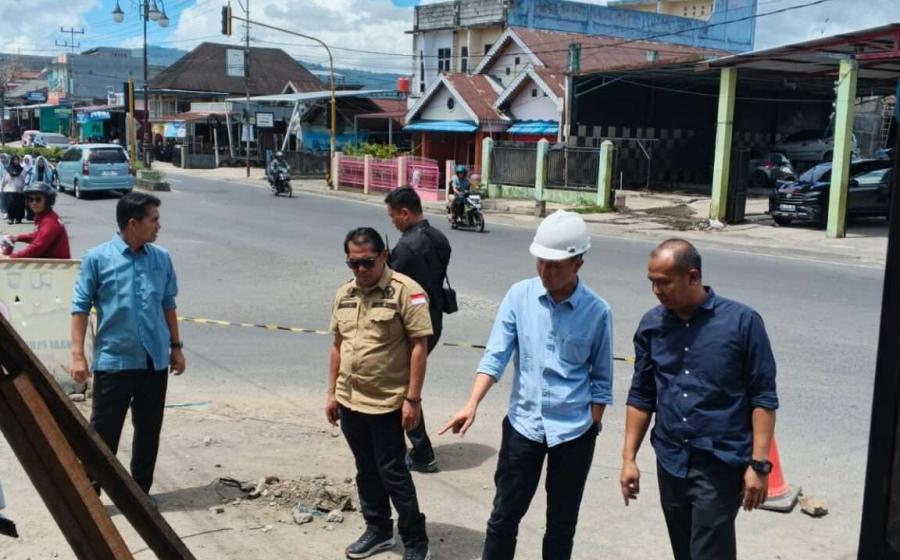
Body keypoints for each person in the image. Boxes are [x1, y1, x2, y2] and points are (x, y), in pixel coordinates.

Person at [441, 210, 614, 560]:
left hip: (574, 433)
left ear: (578, 264)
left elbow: (601, 379)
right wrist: (472, 403)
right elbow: (495, 356)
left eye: (555, 265)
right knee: (504, 517)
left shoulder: (598, 312)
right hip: (524, 428)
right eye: (541, 262)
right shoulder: (519, 296)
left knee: (561, 526)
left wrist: (592, 425)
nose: (545, 272)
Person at [620, 239, 778, 560]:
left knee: (709, 553)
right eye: (652, 282)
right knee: (685, 552)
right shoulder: (652, 326)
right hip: (671, 460)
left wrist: (759, 465)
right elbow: (642, 394)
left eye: (664, 282)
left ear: (692, 277)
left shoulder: (742, 323)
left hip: (720, 463)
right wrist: (628, 458)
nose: (656, 290)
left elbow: (763, 397)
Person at [326, 227, 433, 560]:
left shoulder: (406, 292)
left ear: (384, 256)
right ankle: (378, 530)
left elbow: (419, 346)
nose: (361, 269)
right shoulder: (344, 293)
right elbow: (338, 345)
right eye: (353, 263)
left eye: (368, 262)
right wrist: (331, 393)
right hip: (350, 399)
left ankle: (416, 542)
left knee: (394, 473)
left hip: (387, 402)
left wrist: (412, 399)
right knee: (366, 470)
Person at [70, 192, 185, 495]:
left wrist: (176, 348)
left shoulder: (161, 258)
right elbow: (80, 307)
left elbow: (168, 304)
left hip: (154, 361)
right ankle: (91, 494)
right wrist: (77, 355)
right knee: (103, 433)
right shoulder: (97, 258)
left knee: (148, 432)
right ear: (133, 224)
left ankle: (140, 495)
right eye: (153, 220)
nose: (158, 226)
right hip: (114, 361)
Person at [384, 186, 452, 473]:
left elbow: (392, 285)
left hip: (412, 326)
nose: (393, 222)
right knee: (406, 383)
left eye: (393, 217)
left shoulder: (405, 248)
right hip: (434, 319)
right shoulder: (439, 238)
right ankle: (417, 449)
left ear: (405, 213)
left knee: (404, 387)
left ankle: (422, 453)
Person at [1, 182, 70, 259]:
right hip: (51, 262)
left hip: (57, 264)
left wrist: (9, 257)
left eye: (38, 199)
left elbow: (36, 248)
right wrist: (17, 237)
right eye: (31, 200)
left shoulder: (50, 222)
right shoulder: (44, 216)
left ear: (48, 200)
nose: (34, 203)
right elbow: (38, 236)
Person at [2, 155, 26, 224]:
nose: (15, 161)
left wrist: (25, 187)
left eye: (17, 160)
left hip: (20, 190)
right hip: (10, 189)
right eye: (14, 160)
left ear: (19, 161)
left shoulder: (22, 170)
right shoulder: (7, 170)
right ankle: (11, 218)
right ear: (12, 161)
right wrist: (2, 187)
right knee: (11, 204)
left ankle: (18, 218)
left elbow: (25, 179)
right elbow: (4, 179)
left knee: (20, 205)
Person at [0, 153, 9, 220]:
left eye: (4, 157)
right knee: (2, 199)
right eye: (1, 158)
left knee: (8, 198)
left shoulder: (9, 165)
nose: (2, 159)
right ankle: (4, 212)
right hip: (1, 184)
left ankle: (8, 212)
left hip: (8, 184)